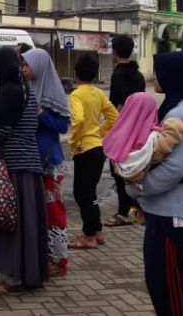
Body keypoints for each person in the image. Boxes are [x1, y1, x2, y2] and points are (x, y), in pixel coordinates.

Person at [127, 52, 183, 316]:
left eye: (160, 71)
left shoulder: (181, 111)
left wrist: (140, 187)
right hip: (165, 209)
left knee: (168, 282)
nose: (156, 76)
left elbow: (176, 167)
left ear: (174, 75)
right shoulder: (178, 105)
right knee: (160, 278)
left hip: (172, 211)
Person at [0, 46, 48, 294]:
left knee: (12, 224)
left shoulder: (9, 91)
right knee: (25, 225)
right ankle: (27, 274)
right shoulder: (24, 88)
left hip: (13, 166)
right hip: (27, 164)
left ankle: (14, 279)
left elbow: (4, 131)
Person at [104, 92, 183, 216]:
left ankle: (138, 211)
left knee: (134, 186)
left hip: (131, 177)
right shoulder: (149, 134)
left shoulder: (120, 134)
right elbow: (158, 151)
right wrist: (174, 128)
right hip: (148, 175)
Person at [21, 48, 70, 278]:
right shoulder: (28, 89)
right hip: (33, 159)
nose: (23, 69)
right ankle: (42, 258)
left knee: (54, 213)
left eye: (27, 65)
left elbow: (62, 126)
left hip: (51, 161)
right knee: (38, 214)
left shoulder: (53, 93)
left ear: (39, 67)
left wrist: (41, 113)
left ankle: (59, 261)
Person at [67, 54, 118, 249]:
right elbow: (114, 116)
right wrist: (99, 132)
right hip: (98, 148)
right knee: (90, 193)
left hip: (85, 150)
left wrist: (74, 141)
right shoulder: (98, 93)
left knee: (82, 194)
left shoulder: (77, 94)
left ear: (75, 74)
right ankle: (97, 231)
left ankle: (89, 236)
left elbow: (78, 120)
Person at [104, 34, 147, 228]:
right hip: (139, 128)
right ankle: (135, 209)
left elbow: (118, 105)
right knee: (135, 168)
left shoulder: (118, 74)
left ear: (114, 52)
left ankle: (123, 213)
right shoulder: (137, 75)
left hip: (123, 128)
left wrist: (115, 131)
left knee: (119, 170)